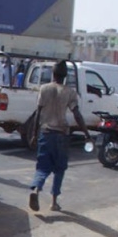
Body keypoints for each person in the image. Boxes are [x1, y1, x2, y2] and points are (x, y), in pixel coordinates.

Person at [28, 60, 92, 212]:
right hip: (62, 134)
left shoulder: (44, 89)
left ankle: (36, 189)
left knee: (42, 167)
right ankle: (54, 202)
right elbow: (76, 114)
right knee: (59, 169)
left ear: (53, 74)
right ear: (65, 76)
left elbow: (38, 113)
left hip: (45, 132)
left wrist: (34, 134)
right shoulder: (70, 92)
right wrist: (87, 134)